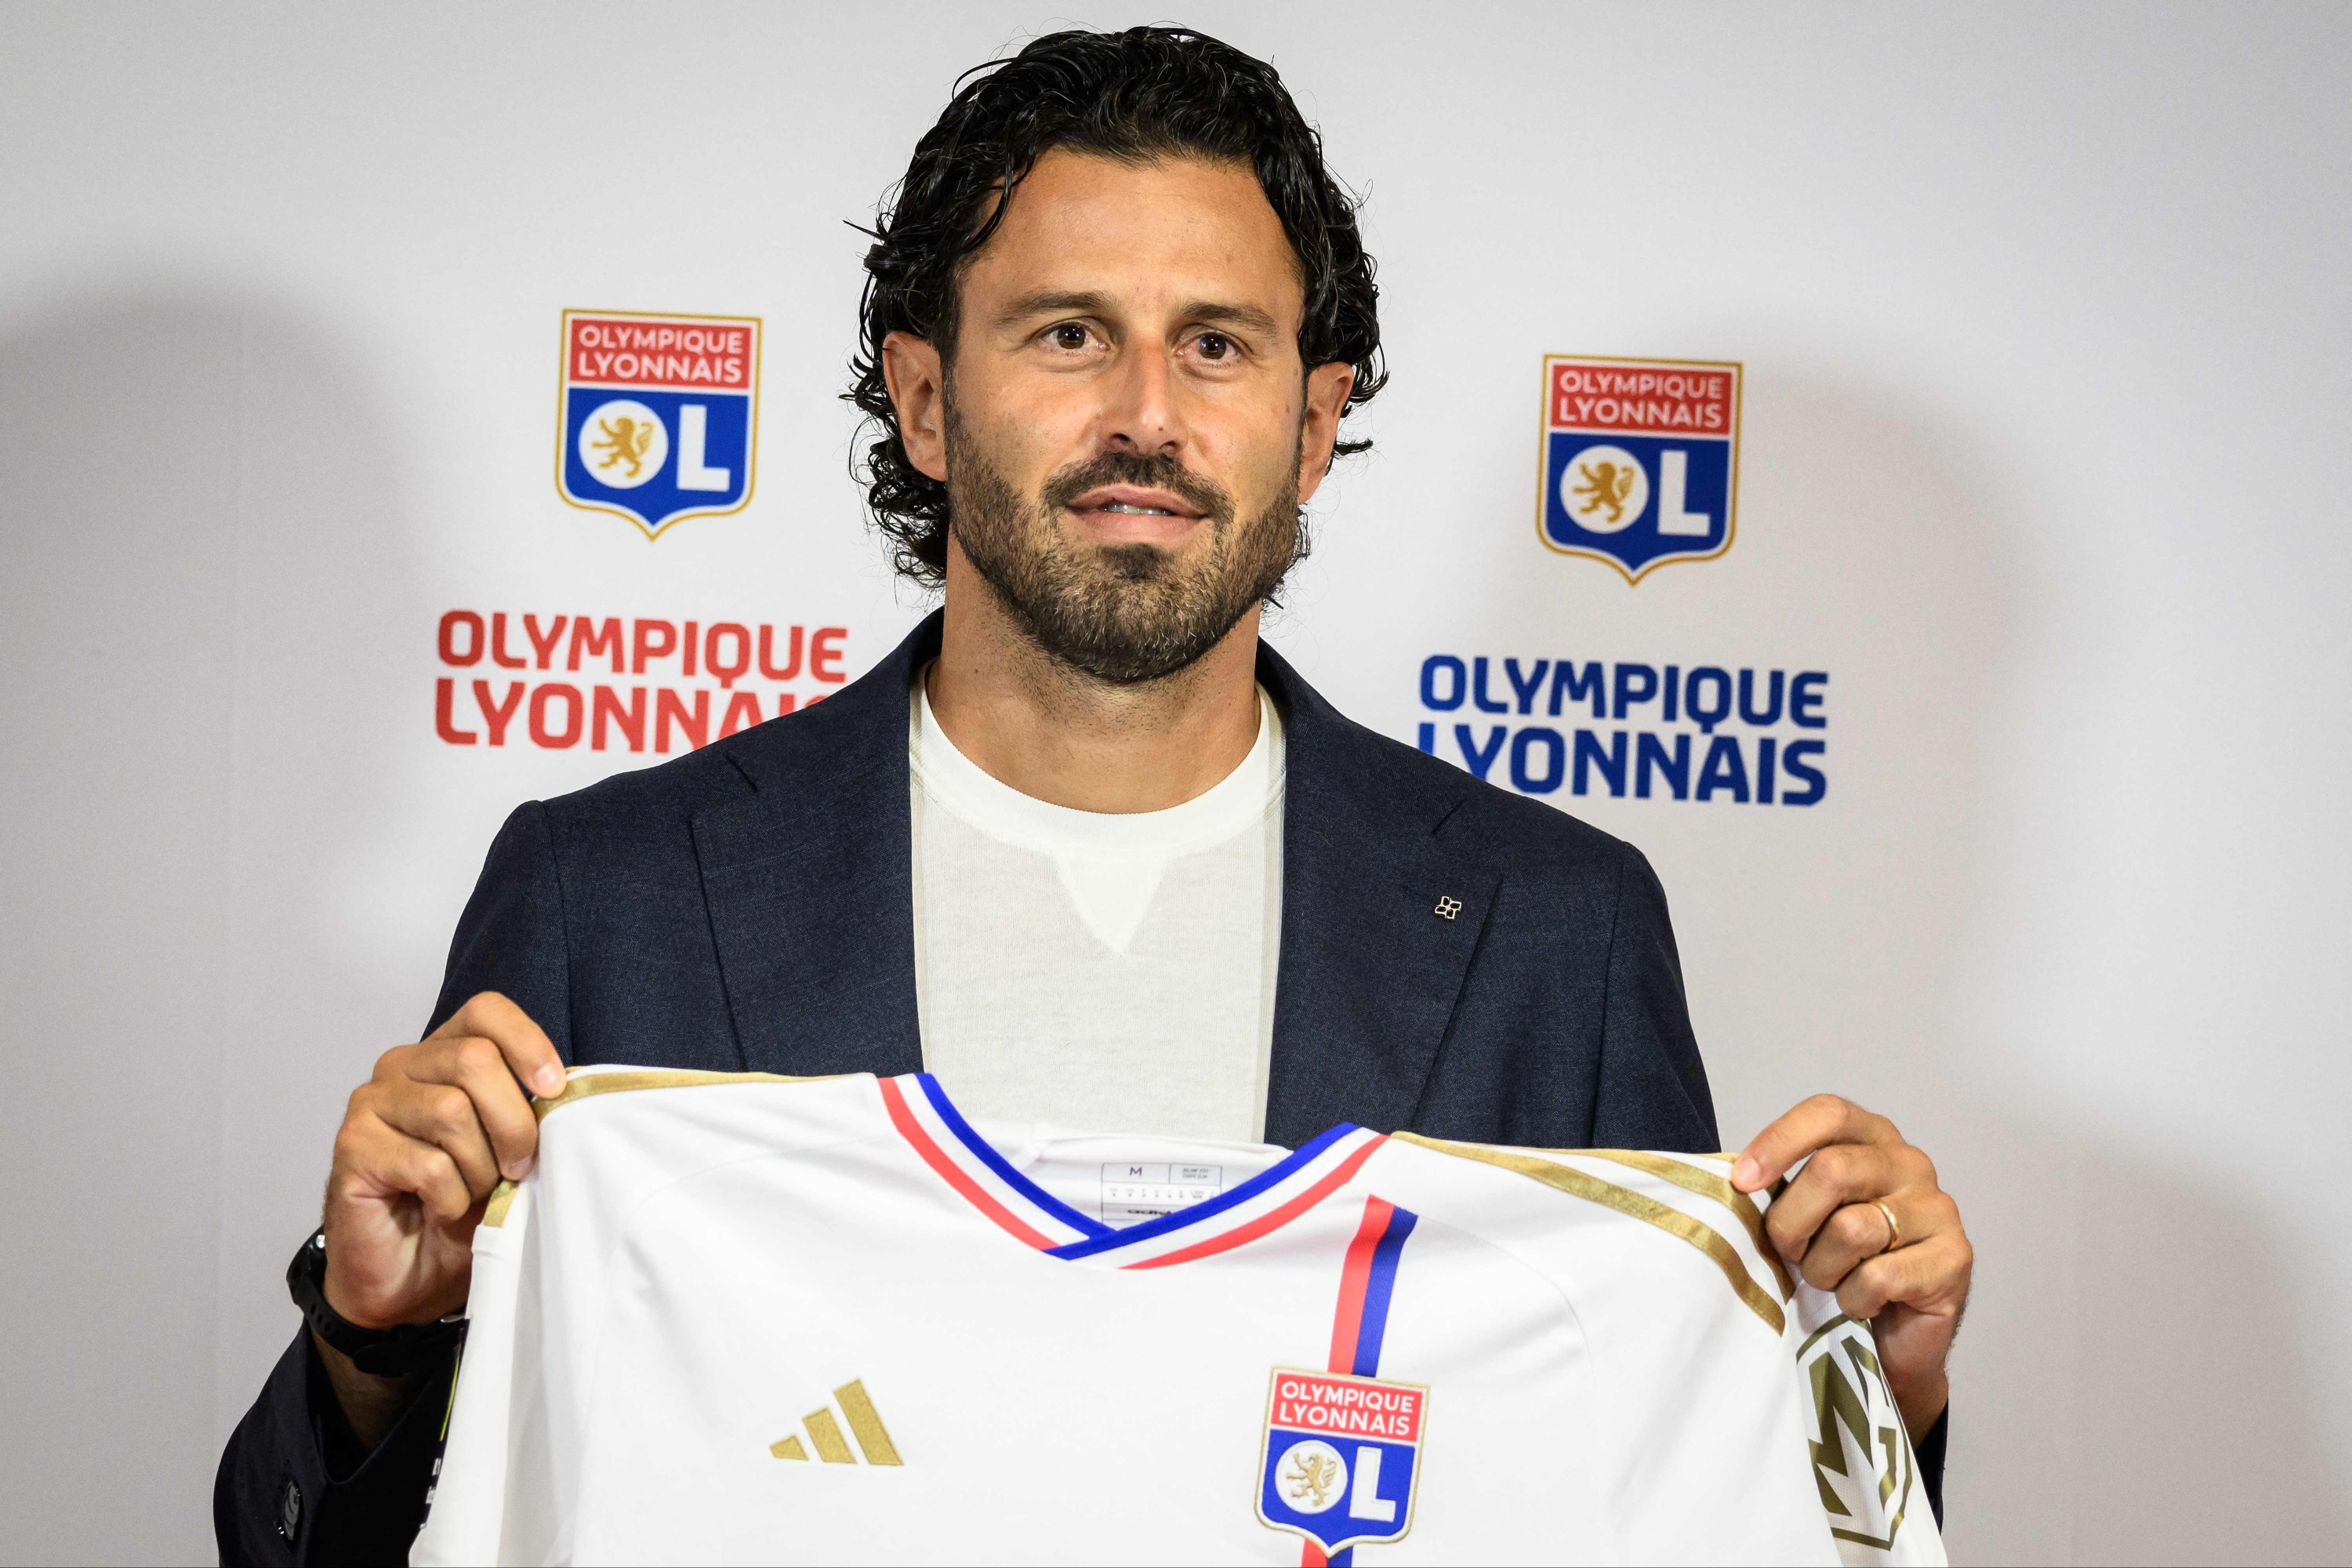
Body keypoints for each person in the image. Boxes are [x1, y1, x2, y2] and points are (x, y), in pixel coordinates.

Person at [215, 26, 1973, 1565]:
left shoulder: (1557, 930)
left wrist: (1864, 1384)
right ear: (923, 398)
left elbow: (1659, 1501)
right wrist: (375, 1345)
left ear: (1309, 419)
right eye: (1069, 334)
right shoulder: (613, 890)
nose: (1147, 414)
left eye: (1217, 345)